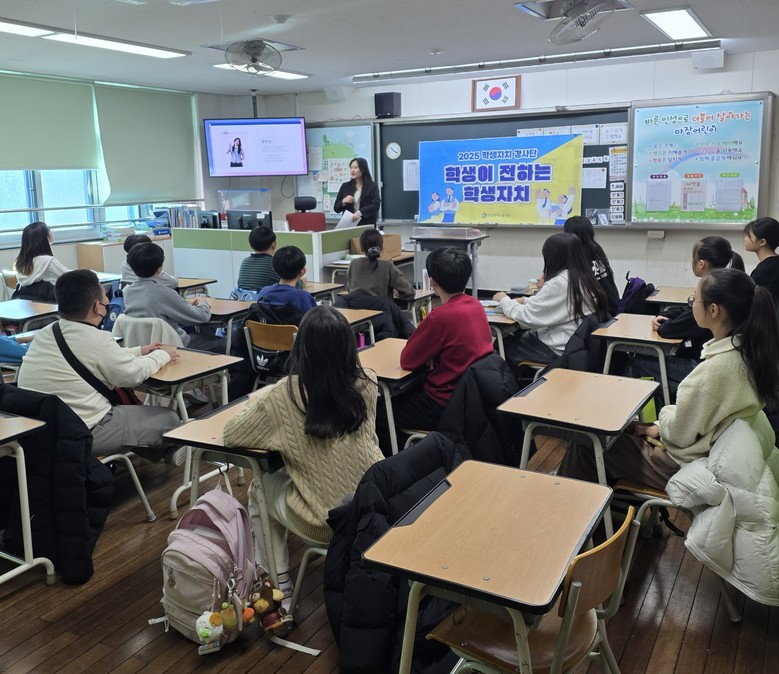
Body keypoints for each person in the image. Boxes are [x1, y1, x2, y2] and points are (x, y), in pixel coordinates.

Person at [223, 306, 383, 621]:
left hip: (325, 523)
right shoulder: (368, 382)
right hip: (374, 507)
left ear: (301, 348)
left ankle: (278, 583)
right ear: (349, 346)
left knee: (259, 486)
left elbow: (231, 435)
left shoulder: (283, 396)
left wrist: (261, 405)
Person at [560, 268, 779, 491]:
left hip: (680, 466)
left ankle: (566, 498)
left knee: (587, 443)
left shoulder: (714, 373)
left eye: (693, 300)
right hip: (706, 455)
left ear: (713, 310)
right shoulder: (750, 354)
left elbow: (678, 436)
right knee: (625, 430)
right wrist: (656, 427)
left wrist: (663, 416)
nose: (691, 304)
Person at [17, 269, 183, 464]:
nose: (107, 302)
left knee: (134, 417)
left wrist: (139, 351)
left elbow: (96, 357)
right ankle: (169, 452)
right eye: (105, 299)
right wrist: (162, 355)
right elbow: (133, 375)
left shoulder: (46, 333)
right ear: (97, 307)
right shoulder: (97, 338)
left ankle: (165, 453)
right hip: (81, 432)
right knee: (169, 419)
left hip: (38, 432)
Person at [377, 247, 493, 454]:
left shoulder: (440, 316)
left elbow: (407, 360)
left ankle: (405, 460)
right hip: (472, 399)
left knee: (380, 411)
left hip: (443, 403)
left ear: (432, 282)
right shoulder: (476, 305)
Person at [635, 236, 745, 397]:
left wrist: (662, 324)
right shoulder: (725, 286)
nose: (694, 302)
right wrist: (665, 314)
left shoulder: (711, 298)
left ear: (701, 264)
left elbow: (670, 330)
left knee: (637, 363)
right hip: (708, 360)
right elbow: (688, 310)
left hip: (701, 365)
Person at [494, 232, 608, 368]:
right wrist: (524, 300)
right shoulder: (584, 276)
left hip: (557, 349)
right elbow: (553, 306)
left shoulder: (559, 283)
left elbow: (527, 317)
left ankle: (514, 382)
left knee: (502, 344)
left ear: (554, 258)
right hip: (576, 345)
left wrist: (504, 300)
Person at [122, 242, 215, 349]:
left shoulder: (128, 292)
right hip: (172, 345)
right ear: (159, 268)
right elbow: (201, 317)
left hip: (144, 347)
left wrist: (183, 303)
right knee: (222, 343)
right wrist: (203, 302)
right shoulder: (163, 293)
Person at [563, 215, 620, 315]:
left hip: (596, 312)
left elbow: (566, 283)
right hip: (612, 306)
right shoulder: (596, 248)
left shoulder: (577, 253)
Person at [347, 228, 415, 300]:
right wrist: (396, 294)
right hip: (381, 306)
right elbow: (409, 292)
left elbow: (349, 289)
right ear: (382, 247)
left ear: (361, 248)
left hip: (355, 306)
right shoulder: (387, 266)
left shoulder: (353, 264)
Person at [13, 221, 69, 301]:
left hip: (26, 303)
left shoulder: (20, 262)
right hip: (48, 304)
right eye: (49, 230)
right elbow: (70, 277)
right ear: (45, 237)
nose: (51, 233)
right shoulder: (47, 261)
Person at [256, 246, 316, 315]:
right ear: (303, 271)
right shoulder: (304, 297)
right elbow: (314, 320)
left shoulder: (264, 292)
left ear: (274, 269)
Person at [334, 157, 380, 227]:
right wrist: (343, 201)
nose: (352, 170)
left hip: (366, 224)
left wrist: (360, 212)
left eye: (356, 167)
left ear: (363, 169)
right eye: (351, 167)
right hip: (349, 225)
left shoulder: (372, 186)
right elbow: (336, 208)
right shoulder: (345, 186)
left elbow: (376, 205)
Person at [744, 216, 779, 301]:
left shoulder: (763, 272)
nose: (745, 239)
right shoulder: (774, 263)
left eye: (749, 236)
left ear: (762, 242)